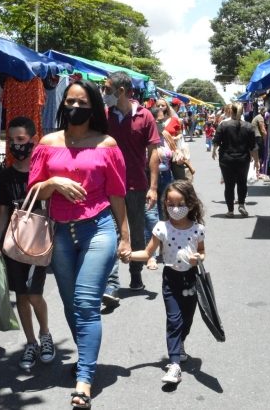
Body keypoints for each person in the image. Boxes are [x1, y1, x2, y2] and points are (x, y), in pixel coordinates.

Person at [28, 78, 129, 409]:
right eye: (69, 102)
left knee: (86, 303)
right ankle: (87, 357)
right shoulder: (47, 142)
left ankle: (84, 379)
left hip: (98, 229)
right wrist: (53, 182)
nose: (74, 108)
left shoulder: (107, 144)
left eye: (82, 104)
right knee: (73, 305)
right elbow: (33, 191)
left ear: (94, 109)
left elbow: (116, 193)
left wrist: (125, 235)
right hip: (59, 233)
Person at [0, 116, 55, 371]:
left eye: (21, 140)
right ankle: (30, 342)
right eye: (12, 140)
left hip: (38, 242)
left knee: (35, 294)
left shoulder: (46, 173)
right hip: (13, 243)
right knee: (21, 296)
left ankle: (45, 335)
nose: (17, 146)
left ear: (33, 140)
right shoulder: (5, 176)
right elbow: (3, 212)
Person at [124, 180, 205, 385]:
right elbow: (148, 252)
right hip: (171, 279)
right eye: (170, 204)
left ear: (191, 204)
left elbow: (202, 251)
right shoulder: (161, 228)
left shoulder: (198, 229)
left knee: (186, 321)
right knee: (174, 320)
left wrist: (199, 258)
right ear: (165, 204)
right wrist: (129, 256)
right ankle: (174, 364)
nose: (175, 209)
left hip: (191, 279)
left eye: (180, 204)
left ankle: (180, 344)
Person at [102, 71, 160, 304]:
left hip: (137, 185)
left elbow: (153, 153)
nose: (105, 94)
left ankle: (136, 275)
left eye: (107, 89)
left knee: (136, 233)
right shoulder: (105, 116)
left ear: (121, 91)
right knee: (112, 233)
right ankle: (112, 284)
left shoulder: (145, 117)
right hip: (109, 187)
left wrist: (154, 187)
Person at [212, 103, 258, 218]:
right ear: (242, 112)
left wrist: (214, 151)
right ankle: (241, 204)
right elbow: (253, 146)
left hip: (226, 159)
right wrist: (256, 161)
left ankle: (230, 210)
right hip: (243, 159)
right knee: (242, 183)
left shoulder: (223, 125)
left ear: (231, 112)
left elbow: (216, 141)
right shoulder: (248, 126)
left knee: (229, 185)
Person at [251, 106, 267, 175]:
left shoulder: (257, 116)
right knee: (260, 153)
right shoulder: (260, 118)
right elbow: (263, 129)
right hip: (258, 137)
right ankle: (259, 171)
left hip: (254, 137)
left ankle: (257, 171)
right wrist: (266, 137)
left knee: (256, 153)